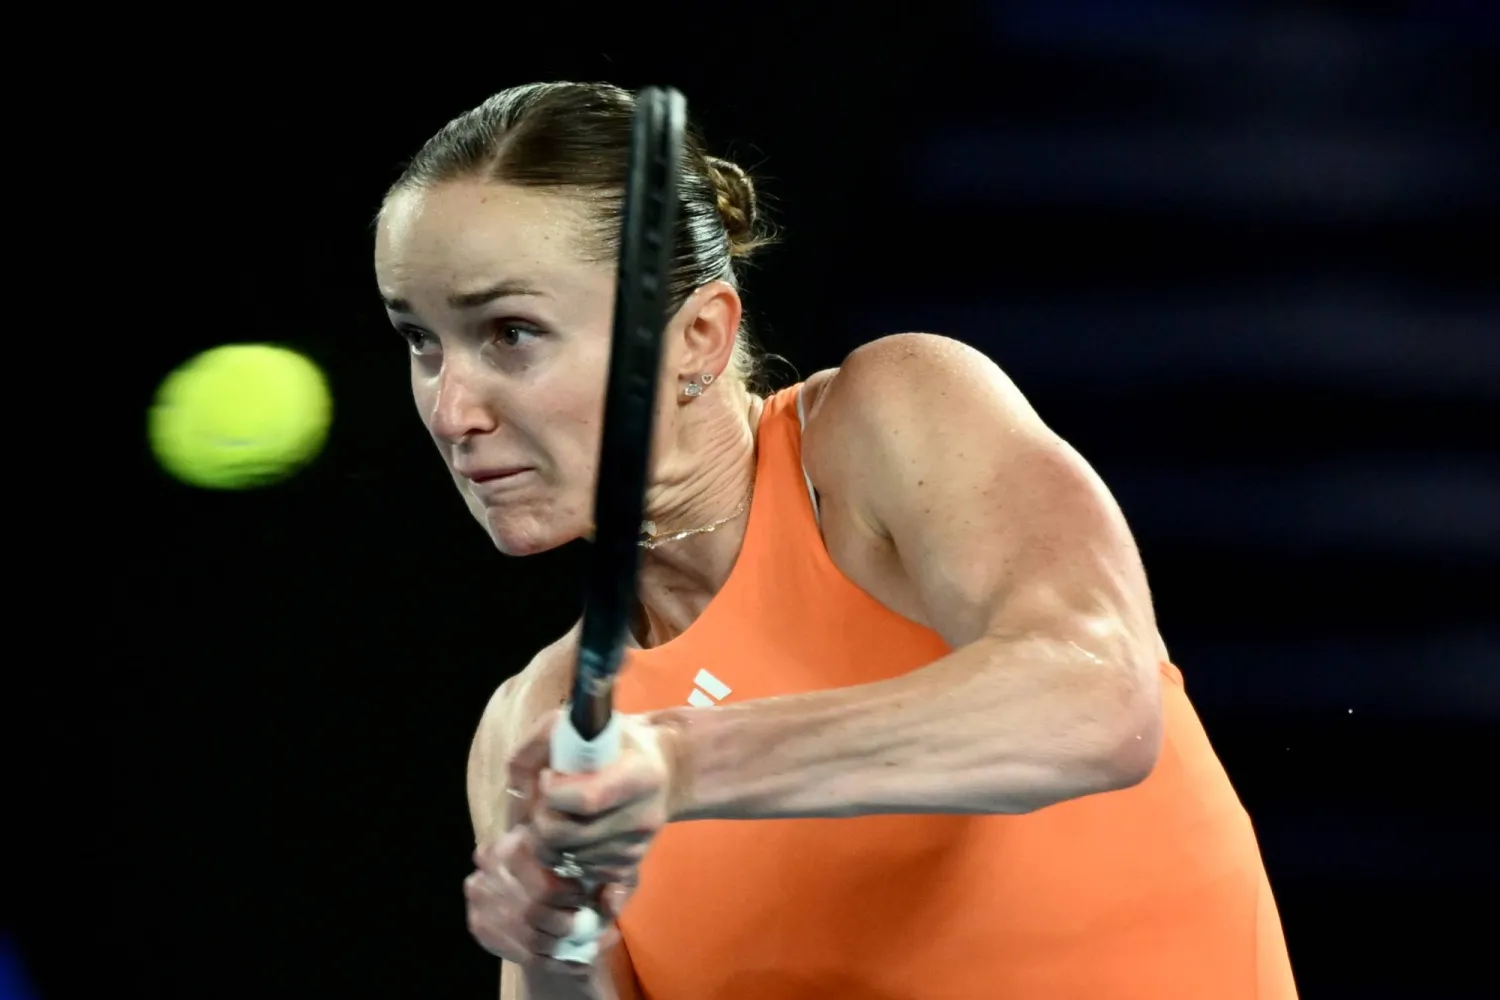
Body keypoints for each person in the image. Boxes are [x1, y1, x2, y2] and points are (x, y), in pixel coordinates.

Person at [373, 82, 1298, 1000]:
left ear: (696, 335)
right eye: (422, 342)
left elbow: (1099, 702)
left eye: (511, 332)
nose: (452, 410)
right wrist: (553, 949)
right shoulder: (532, 724)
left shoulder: (884, 425)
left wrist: (684, 764)